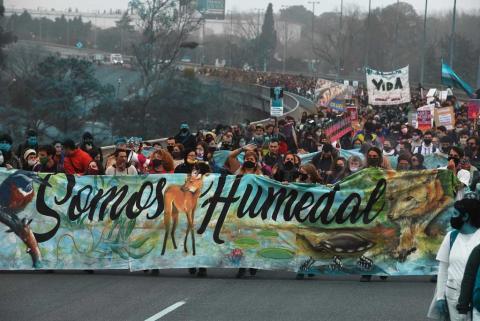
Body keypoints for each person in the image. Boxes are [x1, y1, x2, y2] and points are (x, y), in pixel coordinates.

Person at [428, 196, 480, 321]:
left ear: (466, 216)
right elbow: (443, 269)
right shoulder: (451, 237)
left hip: (477, 298)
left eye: (455, 213)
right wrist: (440, 297)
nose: (452, 217)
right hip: (453, 298)